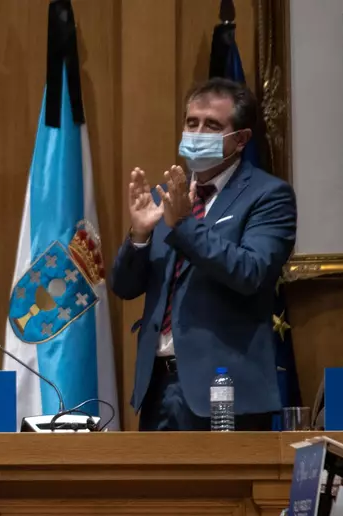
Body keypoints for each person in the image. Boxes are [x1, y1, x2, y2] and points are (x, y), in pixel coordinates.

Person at [112, 78, 297, 432]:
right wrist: (139, 235)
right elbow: (125, 286)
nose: (197, 133)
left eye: (212, 125)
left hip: (225, 390)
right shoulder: (169, 196)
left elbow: (250, 272)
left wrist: (184, 224)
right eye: (191, 122)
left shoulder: (269, 196)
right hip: (158, 386)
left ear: (241, 139)